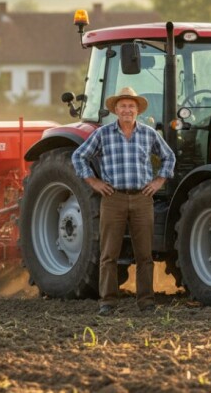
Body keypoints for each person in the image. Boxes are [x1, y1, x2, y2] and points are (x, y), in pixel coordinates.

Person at [72, 86, 176, 316]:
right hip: (113, 198)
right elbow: (78, 156)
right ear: (116, 110)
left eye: (131, 106)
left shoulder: (149, 134)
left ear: (137, 109)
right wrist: (94, 183)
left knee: (144, 255)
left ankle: (146, 303)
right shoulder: (103, 134)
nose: (127, 110)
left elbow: (169, 156)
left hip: (142, 198)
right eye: (123, 106)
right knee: (109, 253)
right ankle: (107, 302)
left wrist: (158, 182)